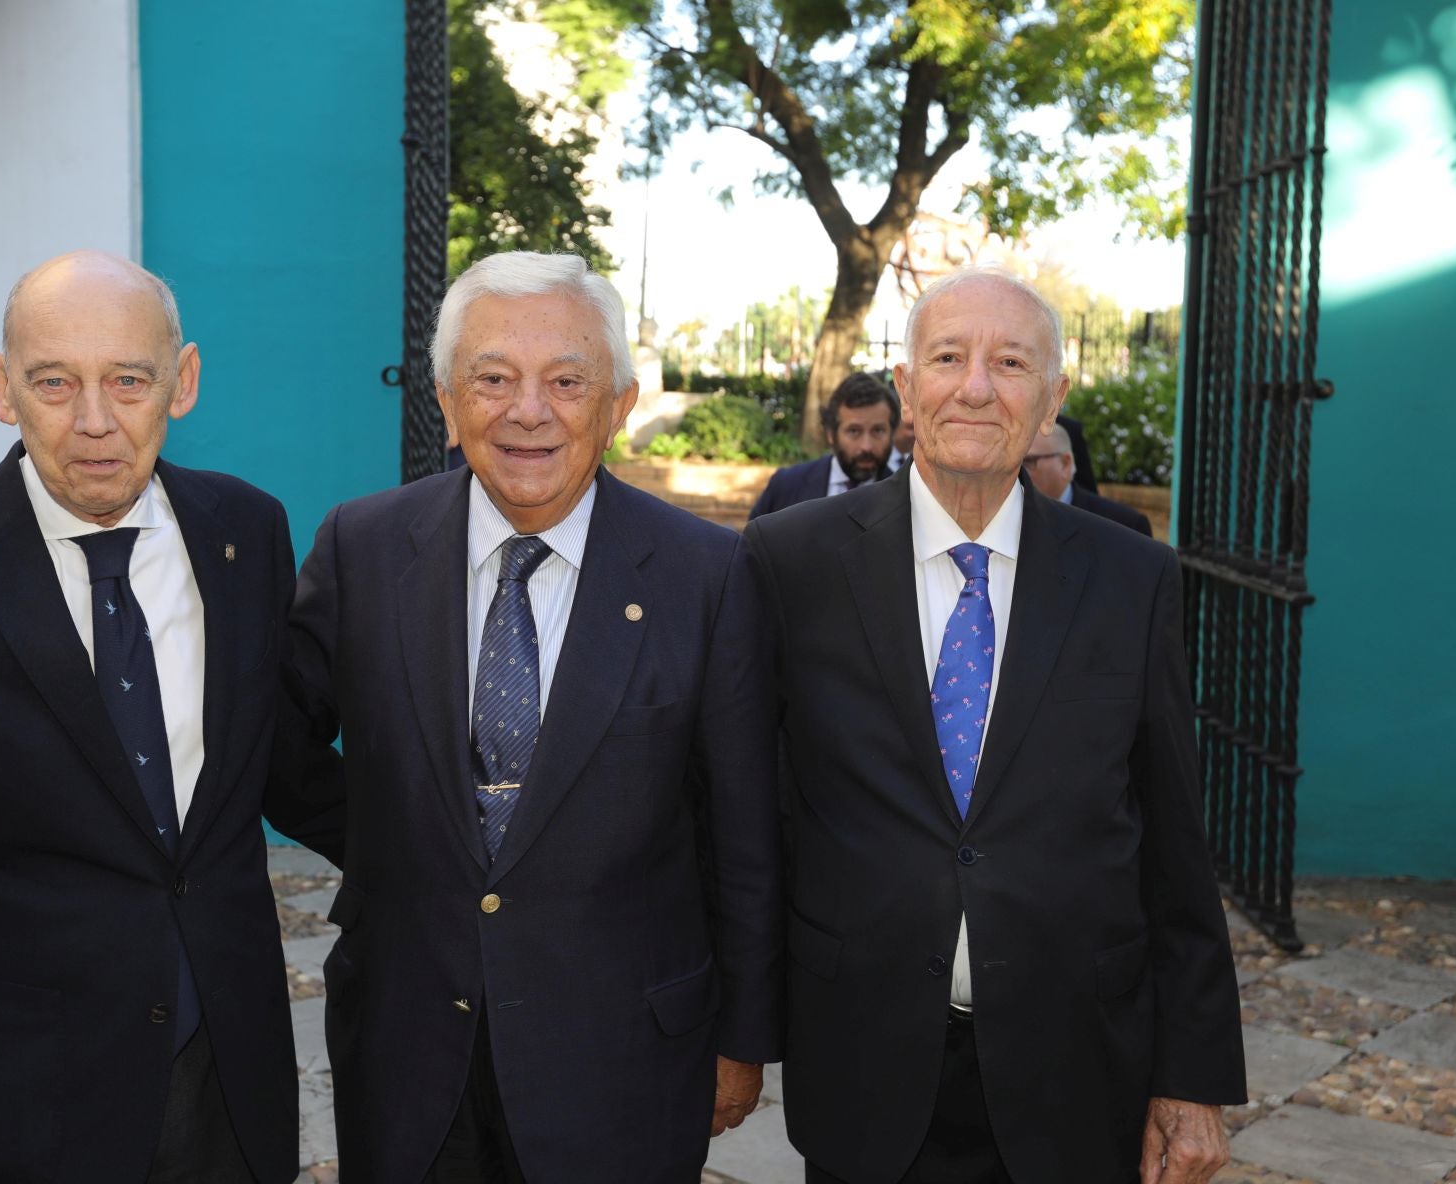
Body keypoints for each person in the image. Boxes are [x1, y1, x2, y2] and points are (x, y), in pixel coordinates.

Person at [0, 250, 347, 1184]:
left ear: (185, 382)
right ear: (1, 389)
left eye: (128, 380)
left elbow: (276, 761)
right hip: (12, 1116)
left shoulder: (245, 532)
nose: (94, 421)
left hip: (228, 1096)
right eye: (55, 382)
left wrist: (482, 860)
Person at [285, 251, 784, 1183]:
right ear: (445, 398)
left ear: (620, 402)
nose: (528, 411)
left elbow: (744, 829)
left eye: (566, 381)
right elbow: (275, 742)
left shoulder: (704, 576)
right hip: (407, 1047)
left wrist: (743, 1037)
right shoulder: (363, 546)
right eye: (493, 379)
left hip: (625, 1060)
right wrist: (389, 837)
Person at [744, 267, 1243, 1184]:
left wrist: (1192, 1077)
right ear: (906, 386)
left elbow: (1174, 840)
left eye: (1010, 362)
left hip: (1078, 1066)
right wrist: (739, 1033)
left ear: (1052, 399)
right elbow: (746, 811)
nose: (975, 386)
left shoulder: (1133, 580)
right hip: (863, 1059)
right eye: (947, 357)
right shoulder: (793, 561)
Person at [749, 371, 899, 519]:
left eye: (878, 431)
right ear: (830, 434)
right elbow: (751, 542)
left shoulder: (904, 498)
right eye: (854, 431)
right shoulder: (786, 486)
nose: (866, 446)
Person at [1023, 424, 1153, 536]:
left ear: (1065, 464)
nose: (1018, 471)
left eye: (1028, 462)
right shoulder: (1009, 517)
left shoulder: (1124, 525)